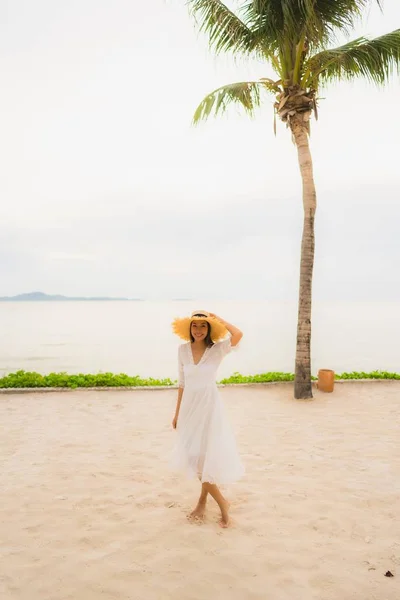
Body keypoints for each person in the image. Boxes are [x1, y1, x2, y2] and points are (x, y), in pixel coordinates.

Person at [171, 310, 244, 528]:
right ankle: (208, 501)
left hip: (209, 407)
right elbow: (182, 383)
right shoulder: (182, 350)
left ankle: (219, 503)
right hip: (189, 409)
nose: (199, 330)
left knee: (205, 457)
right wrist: (177, 414)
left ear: (209, 329)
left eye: (204, 326)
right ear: (189, 329)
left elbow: (238, 334)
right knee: (194, 458)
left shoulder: (216, 350)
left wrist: (219, 318)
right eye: (195, 326)